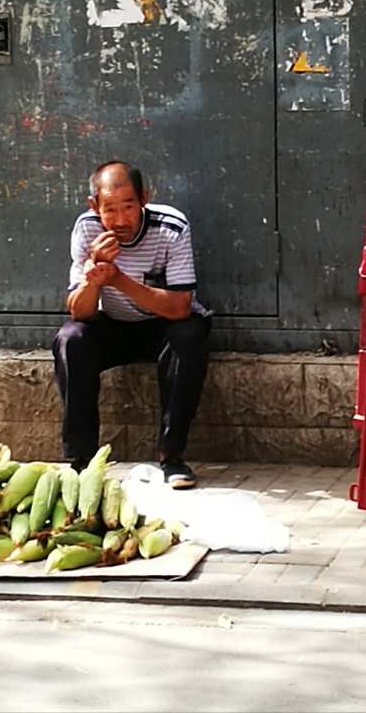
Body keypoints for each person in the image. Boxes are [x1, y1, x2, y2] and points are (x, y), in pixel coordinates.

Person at [52, 161, 211, 489]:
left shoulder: (171, 226)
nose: (121, 220)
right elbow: (79, 312)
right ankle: (82, 461)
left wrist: (119, 279)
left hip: (164, 324)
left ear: (144, 199)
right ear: (94, 205)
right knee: (71, 339)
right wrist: (95, 274)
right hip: (114, 324)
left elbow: (180, 307)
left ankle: (172, 457)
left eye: (129, 206)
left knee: (189, 334)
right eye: (110, 209)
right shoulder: (86, 228)